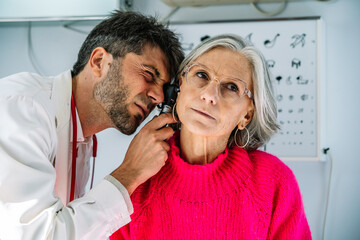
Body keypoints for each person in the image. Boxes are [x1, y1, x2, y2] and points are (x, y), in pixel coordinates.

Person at [0, 11, 184, 240]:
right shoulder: (22, 108)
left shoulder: (81, 138)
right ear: (99, 61)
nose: (157, 96)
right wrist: (130, 173)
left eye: (164, 88)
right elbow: (37, 235)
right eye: (148, 74)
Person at [110, 34, 312, 240]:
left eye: (232, 87)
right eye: (201, 75)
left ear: (247, 115)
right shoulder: (139, 177)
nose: (209, 94)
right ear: (179, 87)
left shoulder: (273, 181)